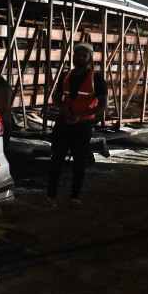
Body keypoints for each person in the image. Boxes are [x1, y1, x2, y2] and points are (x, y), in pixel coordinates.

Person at [45, 42, 108, 209]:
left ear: (89, 58)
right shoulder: (65, 75)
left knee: (79, 161)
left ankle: (75, 196)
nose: (80, 57)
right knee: (56, 159)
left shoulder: (96, 78)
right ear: (73, 57)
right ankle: (51, 195)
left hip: (83, 124)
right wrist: (62, 108)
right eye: (77, 55)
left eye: (84, 55)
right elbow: (57, 96)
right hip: (64, 122)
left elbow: (103, 104)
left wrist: (81, 115)